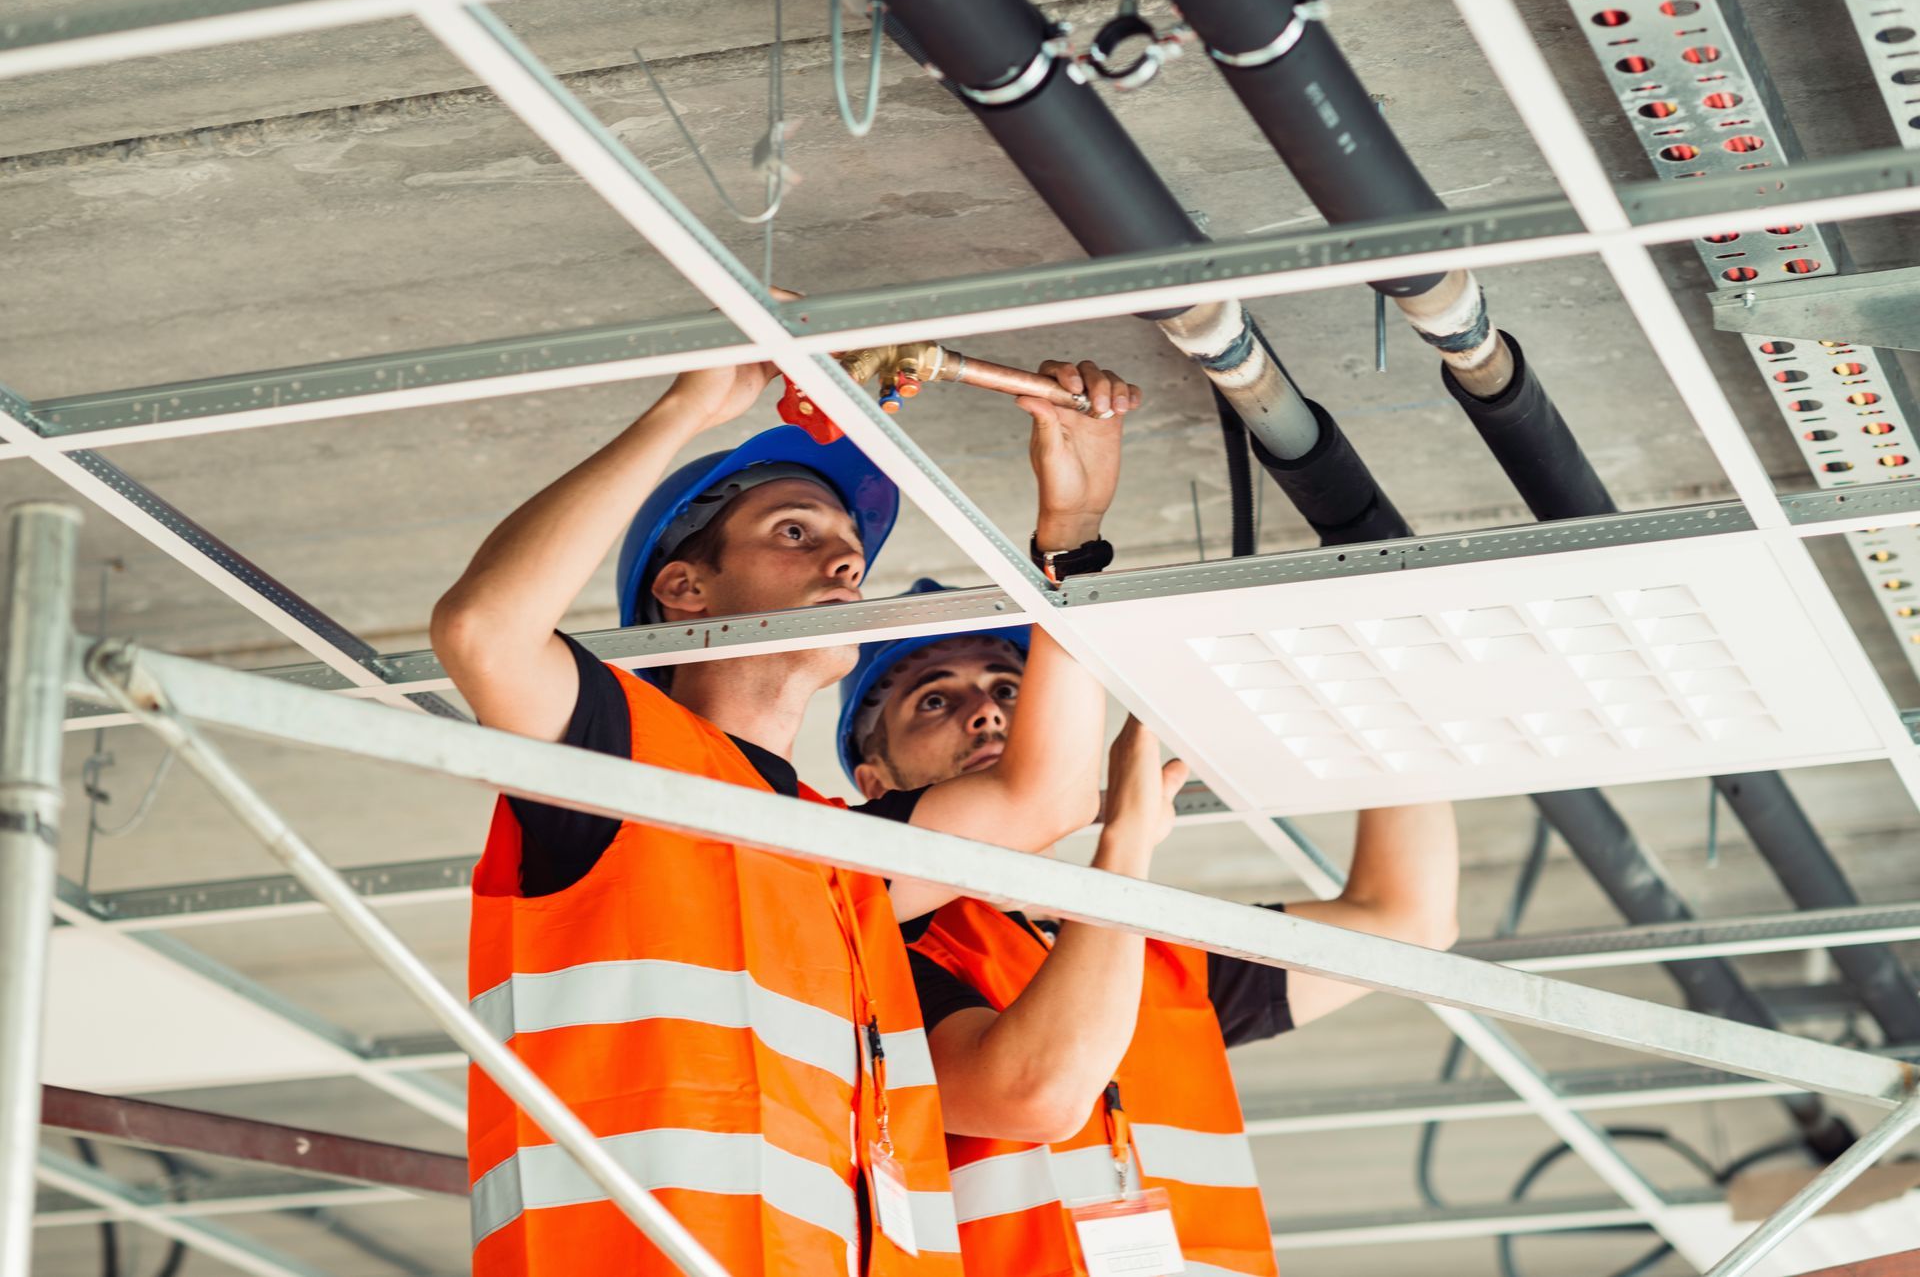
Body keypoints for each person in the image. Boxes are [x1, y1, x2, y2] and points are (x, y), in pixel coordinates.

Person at [432, 337, 1141, 1276]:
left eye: (848, 549)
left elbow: (1044, 796)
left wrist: (1075, 526)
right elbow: (483, 628)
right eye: (797, 532)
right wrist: (683, 410)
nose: (847, 562)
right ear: (685, 589)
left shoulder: (826, 854)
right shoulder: (619, 758)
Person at [843, 589, 1458, 1270]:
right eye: (934, 700)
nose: (984, 711)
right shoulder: (874, 955)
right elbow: (1029, 1093)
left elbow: (1407, 919)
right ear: (877, 784)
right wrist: (1126, 843)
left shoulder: (1155, 957)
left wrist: (1384, 686)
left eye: (1009, 688)